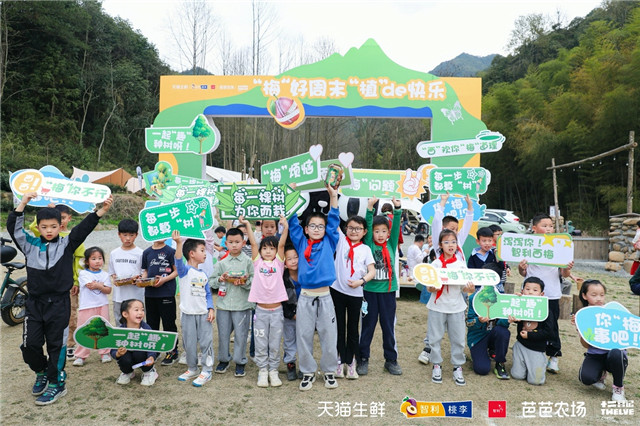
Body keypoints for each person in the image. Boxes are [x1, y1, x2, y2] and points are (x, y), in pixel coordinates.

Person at [7, 192, 112, 405]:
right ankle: (42, 371)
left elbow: (83, 229)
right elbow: (14, 228)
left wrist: (101, 211)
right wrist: (24, 202)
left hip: (59, 304)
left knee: (57, 346)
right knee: (30, 346)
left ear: (60, 226)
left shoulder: (67, 244)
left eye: (53, 227)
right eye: (44, 227)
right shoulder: (29, 244)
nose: (48, 231)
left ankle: (56, 384)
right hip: (35, 304)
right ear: (38, 226)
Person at [288, 184, 340, 391]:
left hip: (326, 296)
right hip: (306, 297)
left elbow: (334, 219)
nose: (317, 229)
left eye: (320, 226)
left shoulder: (330, 240)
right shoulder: (301, 242)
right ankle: (308, 371)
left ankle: (329, 371)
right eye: (313, 226)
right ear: (306, 228)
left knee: (329, 334)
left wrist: (333, 196)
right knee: (304, 334)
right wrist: (292, 194)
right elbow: (292, 222)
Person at [418, 193, 473, 366]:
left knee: (456, 327)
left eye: (456, 231)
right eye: (449, 229)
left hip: (457, 291)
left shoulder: (459, 248)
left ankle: (457, 363)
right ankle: (430, 350)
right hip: (438, 292)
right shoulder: (439, 248)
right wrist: (442, 202)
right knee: (436, 325)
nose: (453, 234)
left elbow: (467, 226)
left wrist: (470, 207)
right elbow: (436, 224)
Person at [518, 213, 573, 374]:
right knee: (529, 321)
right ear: (534, 228)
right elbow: (523, 272)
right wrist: (521, 267)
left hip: (552, 293)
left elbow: (564, 274)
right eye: (545, 226)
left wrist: (567, 267)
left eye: (551, 226)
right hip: (530, 294)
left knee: (551, 326)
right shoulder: (527, 245)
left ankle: (554, 356)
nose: (549, 229)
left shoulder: (560, 245)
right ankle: (532, 351)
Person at [29, 204, 85, 360]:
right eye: (47, 224)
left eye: (62, 218)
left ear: (68, 219)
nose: (59, 223)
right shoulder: (47, 234)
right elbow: (34, 226)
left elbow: (79, 261)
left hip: (68, 285)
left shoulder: (74, 237)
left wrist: (76, 281)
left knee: (71, 316)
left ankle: (70, 344)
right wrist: (46, 210)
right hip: (50, 288)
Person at [241, 215, 289, 387]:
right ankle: (263, 370)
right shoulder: (257, 262)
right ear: (260, 251)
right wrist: (247, 224)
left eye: (271, 248)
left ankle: (273, 370)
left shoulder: (279, 262)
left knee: (275, 342)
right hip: (260, 311)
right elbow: (253, 243)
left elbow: (282, 243)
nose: (268, 251)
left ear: (276, 251)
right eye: (265, 248)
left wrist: (285, 226)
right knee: (261, 341)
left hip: (277, 311)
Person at [358, 196, 403, 376]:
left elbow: (397, 224)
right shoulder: (368, 244)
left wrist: (397, 208)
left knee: (388, 326)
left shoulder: (391, 244)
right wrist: (370, 207)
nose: (380, 235)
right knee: (368, 326)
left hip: (388, 293)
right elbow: (368, 225)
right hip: (369, 292)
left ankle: (391, 360)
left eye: (384, 231)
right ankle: (363, 358)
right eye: (377, 231)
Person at [425, 229, 475, 386]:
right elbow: (429, 288)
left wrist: (470, 288)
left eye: (453, 242)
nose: (450, 245)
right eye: (446, 242)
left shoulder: (461, 265)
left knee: (458, 339)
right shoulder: (435, 264)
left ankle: (457, 367)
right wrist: (433, 287)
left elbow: (465, 289)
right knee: (434, 338)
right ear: (440, 245)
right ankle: (437, 365)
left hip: (456, 307)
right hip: (437, 306)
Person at [331, 215, 375, 380]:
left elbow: (372, 271)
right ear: (345, 229)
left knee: (353, 329)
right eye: (350, 228)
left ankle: (351, 362)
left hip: (356, 294)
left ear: (364, 232)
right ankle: (339, 360)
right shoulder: (341, 241)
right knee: (339, 328)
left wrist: (360, 282)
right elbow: (334, 220)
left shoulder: (365, 249)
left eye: (358, 229)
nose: (354, 231)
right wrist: (333, 196)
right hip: (337, 291)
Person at [172, 231, 215, 387]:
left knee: (206, 343)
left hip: (203, 315)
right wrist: (178, 243)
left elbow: (208, 294)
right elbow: (178, 260)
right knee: (189, 343)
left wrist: (211, 309)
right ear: (191, 254)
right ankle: (192, 368)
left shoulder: (204, 274)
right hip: (188, 314)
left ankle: (207, 370)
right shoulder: (184, 271)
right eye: (202, 251)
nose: (205, 254)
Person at [210, 227, 254, 378]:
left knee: (241, 335)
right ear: (226, 243)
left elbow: (255, 281)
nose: (234, 245)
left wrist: (245, 282)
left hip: (242, 305)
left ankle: (240, 361)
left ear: (244, 242)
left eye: (237, 242)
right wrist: (220, 279)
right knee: (223, 334)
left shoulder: (248, 262)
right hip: (223, 305)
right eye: (230, 242)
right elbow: (212, 282)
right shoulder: (222, 262)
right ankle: (223, 360)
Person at [575, 280, 628, 401]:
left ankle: (618, 387)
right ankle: (600, 374)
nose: (599, 298)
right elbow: (586, 345)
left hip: (615, 354)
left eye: (602, 295)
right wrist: (581, 330)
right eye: (594, 295)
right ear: (584, 296)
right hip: (595, 355)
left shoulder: (613, 312)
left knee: (616, 352)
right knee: (586, 378)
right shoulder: (583, 315)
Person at [141, 233, 179, 366]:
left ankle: (172, 351)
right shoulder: (146, 252)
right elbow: (145, 271)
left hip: (166, 293)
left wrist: (164, 279)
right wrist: (143, 279)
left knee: (168, 323)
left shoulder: (171, 251)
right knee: (152, 323)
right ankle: (154, 351)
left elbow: (176, 271)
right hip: (150, 294)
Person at [73, 247, 113, 366]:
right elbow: (90, 285)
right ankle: (80, 355)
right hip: (87, 306)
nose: (97, 261)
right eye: (94, 258)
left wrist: (99, 286)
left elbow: (108, 290)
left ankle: (105, 352)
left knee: (104, 328)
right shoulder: (83, 273)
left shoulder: (105, 274)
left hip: (102, 305)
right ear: (87, 261)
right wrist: (100, 285)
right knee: (84, 329)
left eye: (100, 258)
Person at [508, 277, 552, 385]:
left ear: (542, 294)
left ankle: (540, 363)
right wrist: (515, 301)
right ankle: (525, 366)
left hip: (537, 348)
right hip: (521, 345)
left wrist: (529, 335)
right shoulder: (521, 304)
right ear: (522, 291)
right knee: (517, 375)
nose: (530, 292)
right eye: (527, 289)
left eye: (535, 290)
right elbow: (514, 315)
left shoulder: (546, 310)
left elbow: (549, 332)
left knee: (535, 381)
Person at [111, 299, 159, 386]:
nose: (140, 313)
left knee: (139, 351)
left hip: (142, 356)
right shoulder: (120, 332)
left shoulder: (146, 328)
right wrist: (118, 354)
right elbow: (113, 349)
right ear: (125, 314)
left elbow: (152, 345)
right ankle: (128, 372)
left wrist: (151, 357)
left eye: (142, 310)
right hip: (128, 357)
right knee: (124, 356)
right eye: (136, 310)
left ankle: (149, 372)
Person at [466, 287, 511, 379]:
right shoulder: (473, 298)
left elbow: (502, 324)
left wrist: (507, 320)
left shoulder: (501, 299)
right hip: (478, 337)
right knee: (482, 369)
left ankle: (500, 362)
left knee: (503, 332)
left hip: (494, 332)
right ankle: (477, 352)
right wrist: (479, 321)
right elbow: (468, 323)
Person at [109, 219, 144, 325]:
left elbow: (143, 273)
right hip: (119, 297)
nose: (128, 238)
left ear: (136, 235)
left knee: (136, 322)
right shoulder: (114, 253)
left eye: (131, 235)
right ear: (119, 234)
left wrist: (138, 279)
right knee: (119, 322)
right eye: (125, 235)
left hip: (136, 296)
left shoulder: (141, 253)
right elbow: (112, 273)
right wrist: (115, 279)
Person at [467, 227, 507, 293]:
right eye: (484, 241)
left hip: (495, 285)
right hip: (479, 287)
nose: (487, 243)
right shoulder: (473, 256)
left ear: (493, 241)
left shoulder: (495, 253)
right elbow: (471, 272)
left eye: (489, 240)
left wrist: (497, 257)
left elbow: (502, 268)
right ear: (478, 241)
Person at [281, 245, 301, 381]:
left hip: (306, 315)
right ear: (285, 263)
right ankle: (290, 364)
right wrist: (291, 314)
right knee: (289, 340)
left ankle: (305, 367)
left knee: (304, 341)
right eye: (289, 259)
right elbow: (282, 300)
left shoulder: (306, 274)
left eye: (296, 257)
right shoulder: (283, 279)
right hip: (289, 316)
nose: (294, 261)